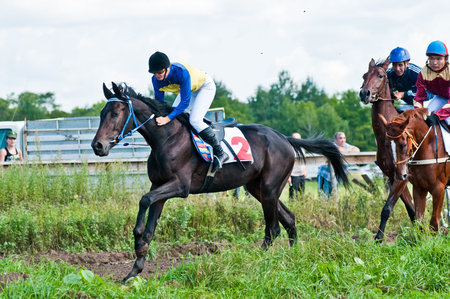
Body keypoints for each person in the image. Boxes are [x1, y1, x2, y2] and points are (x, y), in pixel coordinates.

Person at [148, 51, 228, 171]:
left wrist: (167, 118)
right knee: (174, 118)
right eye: (154, 73)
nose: (157, 75)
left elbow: (184, 103)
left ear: (168, 68)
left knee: (195, 120)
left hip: (204, 87)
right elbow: (160, 104)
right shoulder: (155, 80)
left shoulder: (181, 72)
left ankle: (220, 152)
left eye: (160, 72)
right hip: (189, 90)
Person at [413, 40, 450, 126]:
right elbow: (418, 98)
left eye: (438, 59)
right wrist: (419, 113)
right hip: (440, 98)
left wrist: (437, 116)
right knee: (425, 117)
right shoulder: (423, 73)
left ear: (446, 59)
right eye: (431, 58)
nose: (434, 62)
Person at [386, 47, 421, 112]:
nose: (397, 69)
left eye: (400, 65)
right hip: (409, 104)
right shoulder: (389, 73)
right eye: (394, 65)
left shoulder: (418, 74)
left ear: (407, 64)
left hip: (427, 102)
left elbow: (427, 94)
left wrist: (403, 94)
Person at [288, 132, 308, 200]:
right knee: (293, 194)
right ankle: (292, 207)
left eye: (298, 139)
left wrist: (306, 170)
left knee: (301, 193)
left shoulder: (302, 149)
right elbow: (287, 164)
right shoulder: (290, 149)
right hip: (294, 175)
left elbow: (305, 160)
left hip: (302, 174)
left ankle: (301, 207)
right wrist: (289, 176)